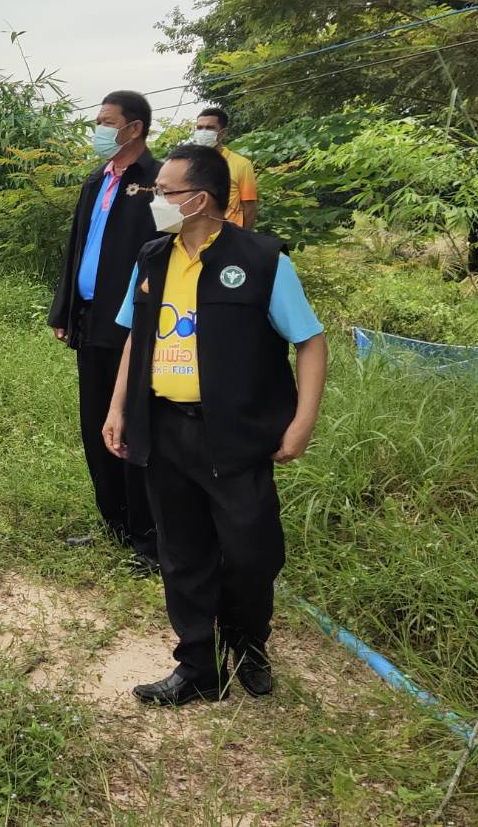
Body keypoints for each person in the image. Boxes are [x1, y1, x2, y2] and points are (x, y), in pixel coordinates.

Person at [103, 143, 326, 706]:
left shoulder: (262, 261)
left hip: (235, 434)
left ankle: (248, 642)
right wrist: (118, 407)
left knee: (252, 551)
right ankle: (198, 663)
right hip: (165, 429)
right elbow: (136, 337)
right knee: (182, 552)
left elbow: (310, 341)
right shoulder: (153, 257)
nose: (154, 199)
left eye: (165, 192)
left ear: (199, 199)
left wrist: (302, 422)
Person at [47, 90, 162, 574]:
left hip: (134, 323)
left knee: (134, 426)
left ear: (134, 128)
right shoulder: (97, 179)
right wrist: (64, 309)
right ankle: (113, 522)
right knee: (97, 423)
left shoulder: (158, 182)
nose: (99, 130)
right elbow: (77, 246)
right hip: (90, 318)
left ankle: (148, 539)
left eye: (107, 122)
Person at [191, 107, 257, 229]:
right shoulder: (189, 163)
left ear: (223, 132)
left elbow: (250, 207)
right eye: (199, 128)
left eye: (210, 128)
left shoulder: (241, 164)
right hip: (196, 233)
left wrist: (244, 236)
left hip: (229, 234)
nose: (203, 132)